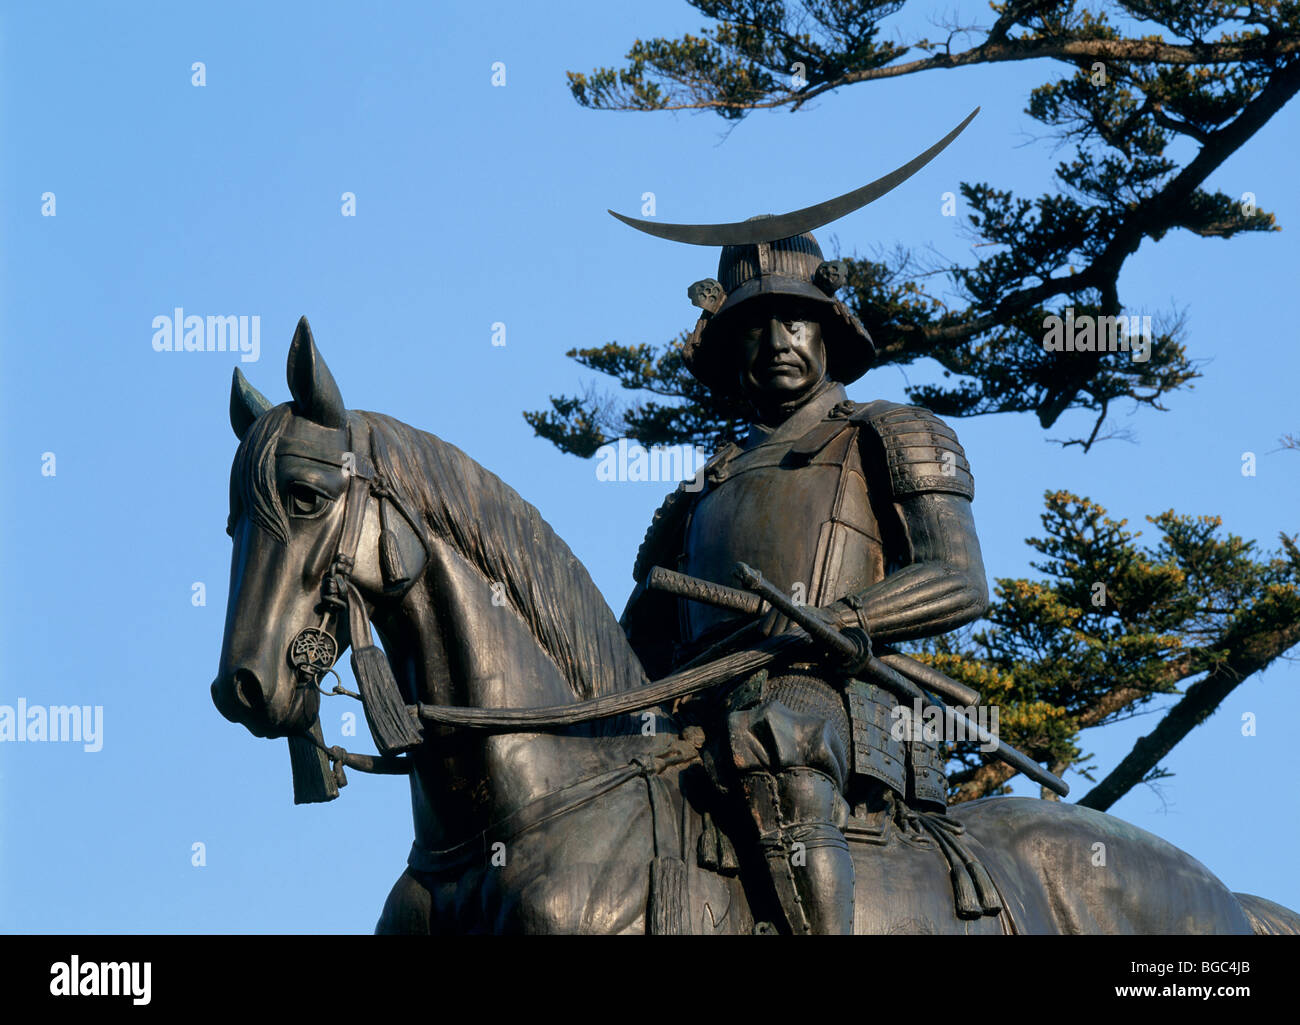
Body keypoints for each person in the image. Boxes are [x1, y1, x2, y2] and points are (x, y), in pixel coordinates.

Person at [620, 222, 989, 933]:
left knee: (778, 737)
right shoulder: (703, 488)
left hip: (836, 692)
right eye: (754, 328)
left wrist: (840, 619)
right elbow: (638, 643)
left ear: (827, 332)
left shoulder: (891, 430)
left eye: (795, 319)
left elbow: (959, 579)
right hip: (701, 705)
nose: (778, 340)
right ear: (730, 350)